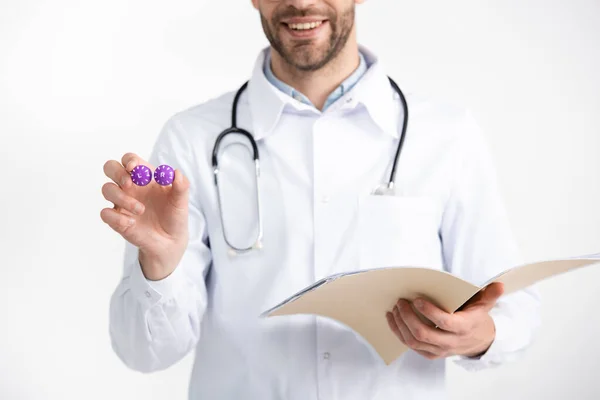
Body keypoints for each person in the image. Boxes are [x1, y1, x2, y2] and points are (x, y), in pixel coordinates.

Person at [100, 0, 541, 398]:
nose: (301, 2)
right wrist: (159, 266)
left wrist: (482, 333)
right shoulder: (192, 140)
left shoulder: (447, 136)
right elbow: (144, 353)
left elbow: (514, 309)